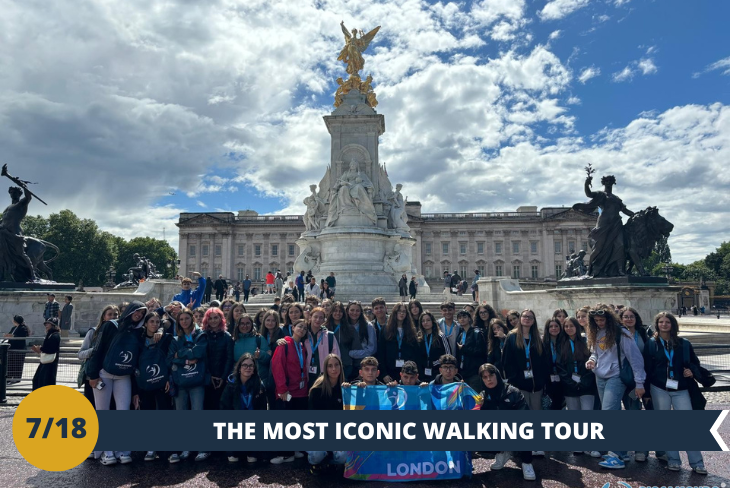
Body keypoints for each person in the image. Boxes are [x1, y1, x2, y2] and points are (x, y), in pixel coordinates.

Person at [643, 312, 707, 474]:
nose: (664, 325)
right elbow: (647, 369)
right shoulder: (651, 344)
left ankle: (697, 463)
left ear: (673, 324)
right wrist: (646, 391)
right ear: (657, 324)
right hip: (659, 388)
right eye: (661, 322)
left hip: (681, 388)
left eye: (667, 322)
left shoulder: (684, 343)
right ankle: (673, 460)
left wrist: (691, 372)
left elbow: (695, 363)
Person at [87, 301, 148, 466]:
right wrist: (92, 374)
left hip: (124, 376)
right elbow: (97, 349)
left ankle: (123, 450)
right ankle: (107, 452)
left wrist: (135, 391)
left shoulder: (139, 331)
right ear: (130, 310)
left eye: (142, 313)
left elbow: (136, 360)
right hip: (104, 374)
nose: (139, 315)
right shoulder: (110, 326)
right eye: (138, 311)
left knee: (123, 413)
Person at [585, 305, 646, 469]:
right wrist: (592, 360)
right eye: (596, 321)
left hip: (616, 376)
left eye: (602, 320)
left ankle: (615, 455)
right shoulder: (595, 332)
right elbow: (595, 353)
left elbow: (636, 359)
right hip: (600, 376)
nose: (599, 323)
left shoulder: (622, 333)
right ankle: (622, 451)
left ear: (609, 319)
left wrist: (640, 383)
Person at [478, 364, 536, 480]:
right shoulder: (482, 396)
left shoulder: (513, 392)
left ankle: (526, 463)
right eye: (485, 377)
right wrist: (480, 408)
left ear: (497, 375)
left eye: (491, 375)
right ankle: (502, 452)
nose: (489, 379)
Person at [557, 317, 601, 458]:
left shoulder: (586, 341)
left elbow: (593, 360)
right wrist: (570, 382)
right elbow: (560, 365)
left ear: (577, 326)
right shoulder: (561, 343)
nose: (569, 328)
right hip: (569, 385)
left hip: (586, 384)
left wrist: (584, 380)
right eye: (566, 326)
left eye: (571, 326)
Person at [167, 308, 206, 463]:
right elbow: (170, 358)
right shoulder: (175, 339)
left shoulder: (201, 335)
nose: (184, 321)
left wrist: (180, 355)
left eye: (186, 318)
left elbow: (199, 353)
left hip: (197, 380)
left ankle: (202, 448)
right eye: (181, 319)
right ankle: (185, 447)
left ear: (192, 319)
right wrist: (187, 360)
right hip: (180, 381)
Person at [271, 319, 309, 464]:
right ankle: (285, 453)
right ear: (292, 328)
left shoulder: (302, 346)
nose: (302, 330)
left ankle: (296, 449)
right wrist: (282, 389)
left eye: (305, 328)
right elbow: (277, 366)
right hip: (287, 391)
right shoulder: (284, 344)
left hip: (301, 390)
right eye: (299, 327)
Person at [137, 312, 173, 463]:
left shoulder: (164, 337)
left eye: (157, 322)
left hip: (161, 380)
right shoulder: (138, 339)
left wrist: (169, 378)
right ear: (145, 323)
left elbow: (171, 322)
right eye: (151, 321)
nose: (154, 324)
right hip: (144, 382)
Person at [501, 309, 550, 420]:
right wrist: (514, 378)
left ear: (533, 321)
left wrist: (542, 380)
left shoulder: (537, 337)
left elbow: (543, 361)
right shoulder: (512, 336)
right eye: (525, 316)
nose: (527, 319)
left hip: (536, 385)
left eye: (530, 317)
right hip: (519, 384)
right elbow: (506, 360)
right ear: (520, 319)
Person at [220, 354, 267, 464]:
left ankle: (252, 451)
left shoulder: (259, 385)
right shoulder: (231, 384)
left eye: (251, 366)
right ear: (239, 368)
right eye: (244, 365)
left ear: (254, 369)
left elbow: (262, 408)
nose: (248, 368)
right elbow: (224, 406)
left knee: (252, 459)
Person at [619, 306, 651, 462]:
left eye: (631, 316)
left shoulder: (643, 334)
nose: (628, 319)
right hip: (621, 378)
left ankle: (641, 449)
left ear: (636, 318)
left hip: (639, 379)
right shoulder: (617, 334)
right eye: (625, 316)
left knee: (635, 413)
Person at [201, 308, 233, 457]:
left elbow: (229, 357)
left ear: (221, 319)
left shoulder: (226, 336)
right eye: (211, 318)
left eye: (216, 318)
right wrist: (209, 376)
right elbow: (202, 358)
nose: (213, 321)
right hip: (207, 378)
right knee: (208, 409)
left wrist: (222, 377)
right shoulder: (202, 336)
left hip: (222, 378)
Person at [77, 306, 119, 407]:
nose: (113, 317)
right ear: (104, 317)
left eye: (115, 315)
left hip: (111, 375)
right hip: (93, 376)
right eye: (110, 314)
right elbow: (80, 354)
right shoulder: (93, 332)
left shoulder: (120, 333)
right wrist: (97, 349)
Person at [378, 302, 421, 383]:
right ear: (395, 313)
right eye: (399, 311)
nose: (402, 313)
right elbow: (381, 352)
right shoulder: (386, 329)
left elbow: (416, 353)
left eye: (404, 311)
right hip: (390, 371)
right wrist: (384, 374)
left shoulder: (411, 330)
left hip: (408, 373)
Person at [454, 310, 488, 391]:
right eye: (460, 318)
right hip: (463, 372)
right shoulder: (460, 334)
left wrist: (464, 349)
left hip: (474, 371)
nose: (462, 319)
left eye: (465, 317)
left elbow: (481, 351)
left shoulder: (477, 332)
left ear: (469, 318)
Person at [305, 307, 341, 386]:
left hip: (323, 375)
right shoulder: (303, 334)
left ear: (324, 320)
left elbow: (336, 356)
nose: (318, 320)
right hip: (305, 374)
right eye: (315, 317)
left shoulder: (329, 336)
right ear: (310, 317)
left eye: (321, 318)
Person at [345, 300, 375, 381]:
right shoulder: (343, 325)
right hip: (346, 365)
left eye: (357, 310)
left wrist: (352, 353)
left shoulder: (368, 326)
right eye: (352, 310)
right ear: (347, 311)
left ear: (361, 312)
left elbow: (371, 349)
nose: (354, 313)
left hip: (363, 364)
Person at [257, 310, 282, 409]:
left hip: (276, 370)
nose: (270, 323)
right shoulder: (260, 335)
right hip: (264, 369)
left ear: (277, 322)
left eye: (273, 320)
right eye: (268, 320)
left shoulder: (281, 334)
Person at [417, 311, 451, 383]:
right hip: (422, 374)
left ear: (433, 321)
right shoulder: (419, 338)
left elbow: (448, 356)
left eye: (428, 320)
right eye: (423, 321)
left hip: (437, 374)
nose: (425, 322)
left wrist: (436, 362)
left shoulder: (441, 337)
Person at [31, 317, 61, 390]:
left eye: (48, 324)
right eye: (46, 324)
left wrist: (40, 349)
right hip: (46, 361)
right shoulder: (50, 335)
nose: (46, 325)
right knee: (38, 380)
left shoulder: (54, 335)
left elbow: (51, 349)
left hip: (50, 362)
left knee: (45, 381)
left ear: (53, 325)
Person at [542, 318, 564, 410]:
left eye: (556, 326)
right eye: (551, 326)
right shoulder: (542, 343)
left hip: (562, 378)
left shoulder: (564, 342)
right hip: (548, 379)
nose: (554, 328)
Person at [4, 314, 29, 384]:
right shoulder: (13, 328)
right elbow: (10, 334)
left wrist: (12, 336)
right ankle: (9, 377)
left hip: (19, 348)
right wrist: (7, 336)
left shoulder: (23, 328)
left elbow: (21, 337)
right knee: (10, 364)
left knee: (18, 363)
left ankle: (16, 377)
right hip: (12, 348)